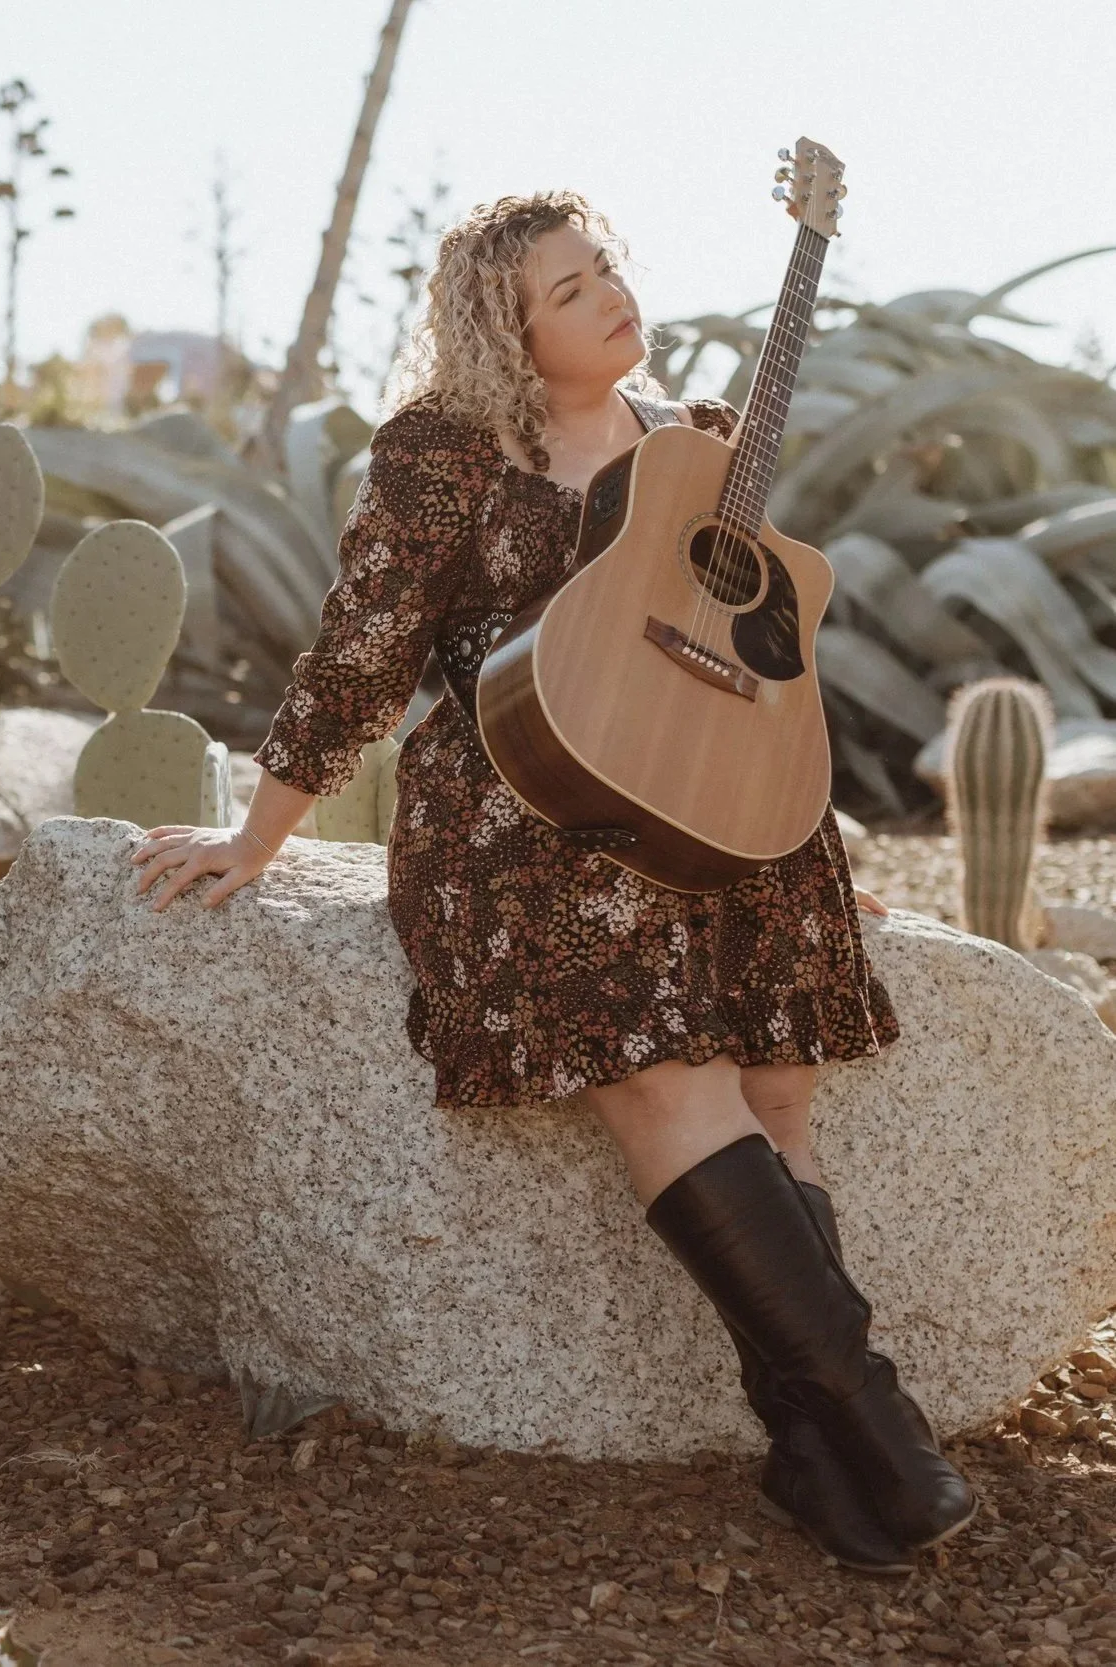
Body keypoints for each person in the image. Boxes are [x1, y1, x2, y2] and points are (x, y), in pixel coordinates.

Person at [129, 191, 973, 1573]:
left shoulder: (691, 444)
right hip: (525, 795)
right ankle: (877, 1427)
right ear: (507, 334)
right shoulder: (445, 455)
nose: (610, 297)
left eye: (609, 271)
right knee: (665, 1076)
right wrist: (256, 836)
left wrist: (782, 812)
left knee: (775, 1087)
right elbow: (365, 649)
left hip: (710, 788)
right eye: (572, 289)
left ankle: (814, 1455)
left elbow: (750, 644)